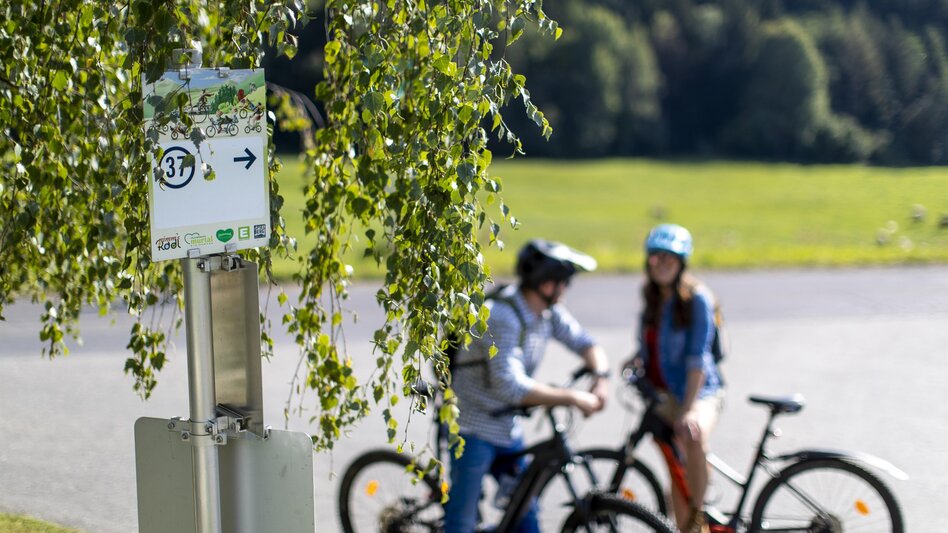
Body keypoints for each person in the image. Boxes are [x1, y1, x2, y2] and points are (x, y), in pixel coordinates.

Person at [444, 239, 611, 533]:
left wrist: (601, 376)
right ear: (546, 284)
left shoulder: (546, 312)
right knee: (462, 522)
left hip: (507, 427)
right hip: (472, 426)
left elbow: (585, 342)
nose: (566, 289)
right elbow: (512, 387)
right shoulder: (502, 316)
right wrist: (572, 398)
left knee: (526, 514)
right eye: (564, 282)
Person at [628, 224, 725, 532]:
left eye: (670, 258)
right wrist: (636, 358)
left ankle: (699, 513)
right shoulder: (653, 297)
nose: (662, 264)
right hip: (663, 393)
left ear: (682, 262)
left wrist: (688, 409)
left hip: (700, 391)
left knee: (692, 435)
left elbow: (699, 360)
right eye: (656, 258)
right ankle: (687, 526)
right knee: (673, 467)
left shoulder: (697, 299)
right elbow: (652, 345)